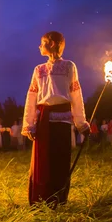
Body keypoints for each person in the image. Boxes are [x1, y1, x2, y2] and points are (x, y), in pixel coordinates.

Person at [22, 31, 89, 207]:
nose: (39, 46)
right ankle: (42, 199)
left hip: (63, 121)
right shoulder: (39, 70)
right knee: (44, 162)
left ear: (52, 43)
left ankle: (58, 199)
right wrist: (29, 125)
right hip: (44, 120)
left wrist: (81, 123)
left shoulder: (69, 67)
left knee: (60, 160)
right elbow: (32, 97)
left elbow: (76, 95)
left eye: (42, 42)